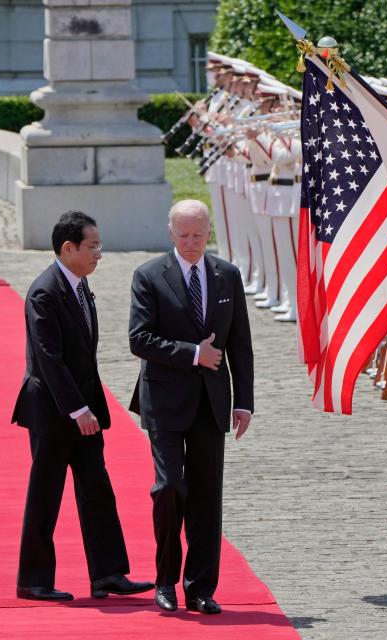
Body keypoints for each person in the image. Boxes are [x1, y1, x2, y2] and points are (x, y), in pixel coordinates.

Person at [12, 211, 154, 601]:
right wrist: (77, 409)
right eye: (92, 247)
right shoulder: (45, 291)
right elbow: (48, 358)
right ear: (68, 248)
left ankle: (107, 573)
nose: (99, 254)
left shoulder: (79, 284)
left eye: (99, 246)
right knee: (46, 493)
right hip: (55, 413)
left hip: (85, 413)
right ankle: (34, 580)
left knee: (97, 490)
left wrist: (90, 408)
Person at [128, 199, 254, 615]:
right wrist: (191, 354)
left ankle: (200, 587)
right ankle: (165, 579)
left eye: (198, 234)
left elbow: (240, 343)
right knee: (169, 488)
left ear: (209, 231)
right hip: (164, 400)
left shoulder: (227, 276)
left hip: (211, 403)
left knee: (205, 497)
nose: (190, 242)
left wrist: (245, 402)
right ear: (170, 233)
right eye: (183, 235)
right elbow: (139, 339)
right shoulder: (149, 276)